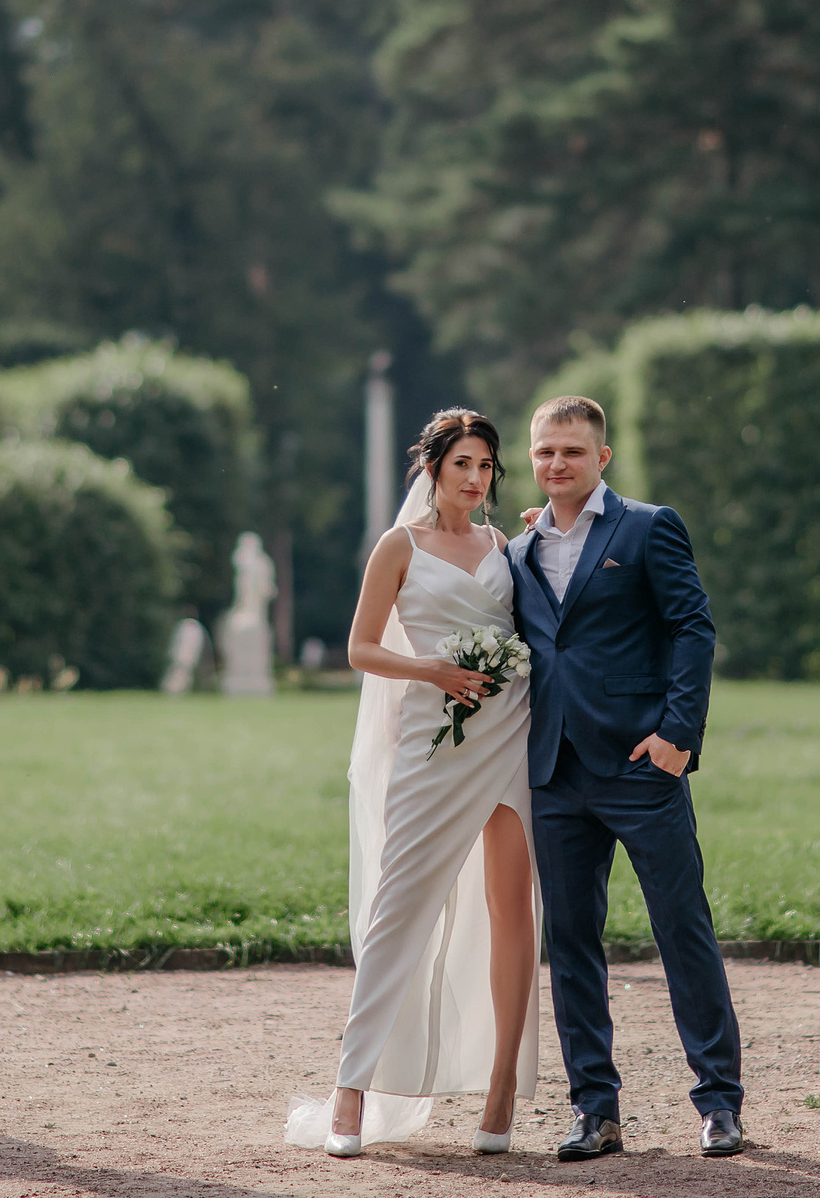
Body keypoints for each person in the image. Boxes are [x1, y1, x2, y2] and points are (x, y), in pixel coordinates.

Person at [287, 409, 540, 1158]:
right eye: (463, 463)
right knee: (397, 911)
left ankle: (501, 1086)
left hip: (507, 738)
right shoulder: (399, 545)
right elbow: (361, 649)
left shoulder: (503, 546)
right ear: (433, 468)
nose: (475, 477)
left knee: (513, 910)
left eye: (486, 465)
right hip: (432, 747)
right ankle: (352, 1084)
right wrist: (430, 668)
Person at [510, 394, 744, 1160]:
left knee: (682, 927)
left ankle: (719, 1102)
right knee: (571, 942)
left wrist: (679, 734)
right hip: (554, 771)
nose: (557, 463)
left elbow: (691, 626)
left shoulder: (647, 526)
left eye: (572, 450)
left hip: (642, 766)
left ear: (602, 457)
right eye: (546, 451)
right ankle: (595, 1109)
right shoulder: (519, 549)